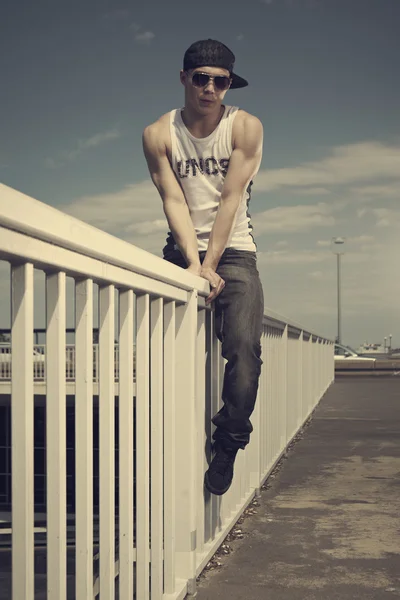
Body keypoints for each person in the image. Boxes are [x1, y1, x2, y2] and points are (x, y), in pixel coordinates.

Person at [142, 39, 264, 496]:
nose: (210, 88)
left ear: (229, 84)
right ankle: (160, 448)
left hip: (233, 252)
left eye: (220, 81)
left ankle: (229, 441)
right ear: (184, 79)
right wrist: (192, 264)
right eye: (201, 79)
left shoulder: (245, 127)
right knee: (158, 355)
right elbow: (172, 197)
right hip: (182, 252)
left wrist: (210, 265)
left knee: (244, 353)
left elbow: (231, 197)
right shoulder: (158, 134)